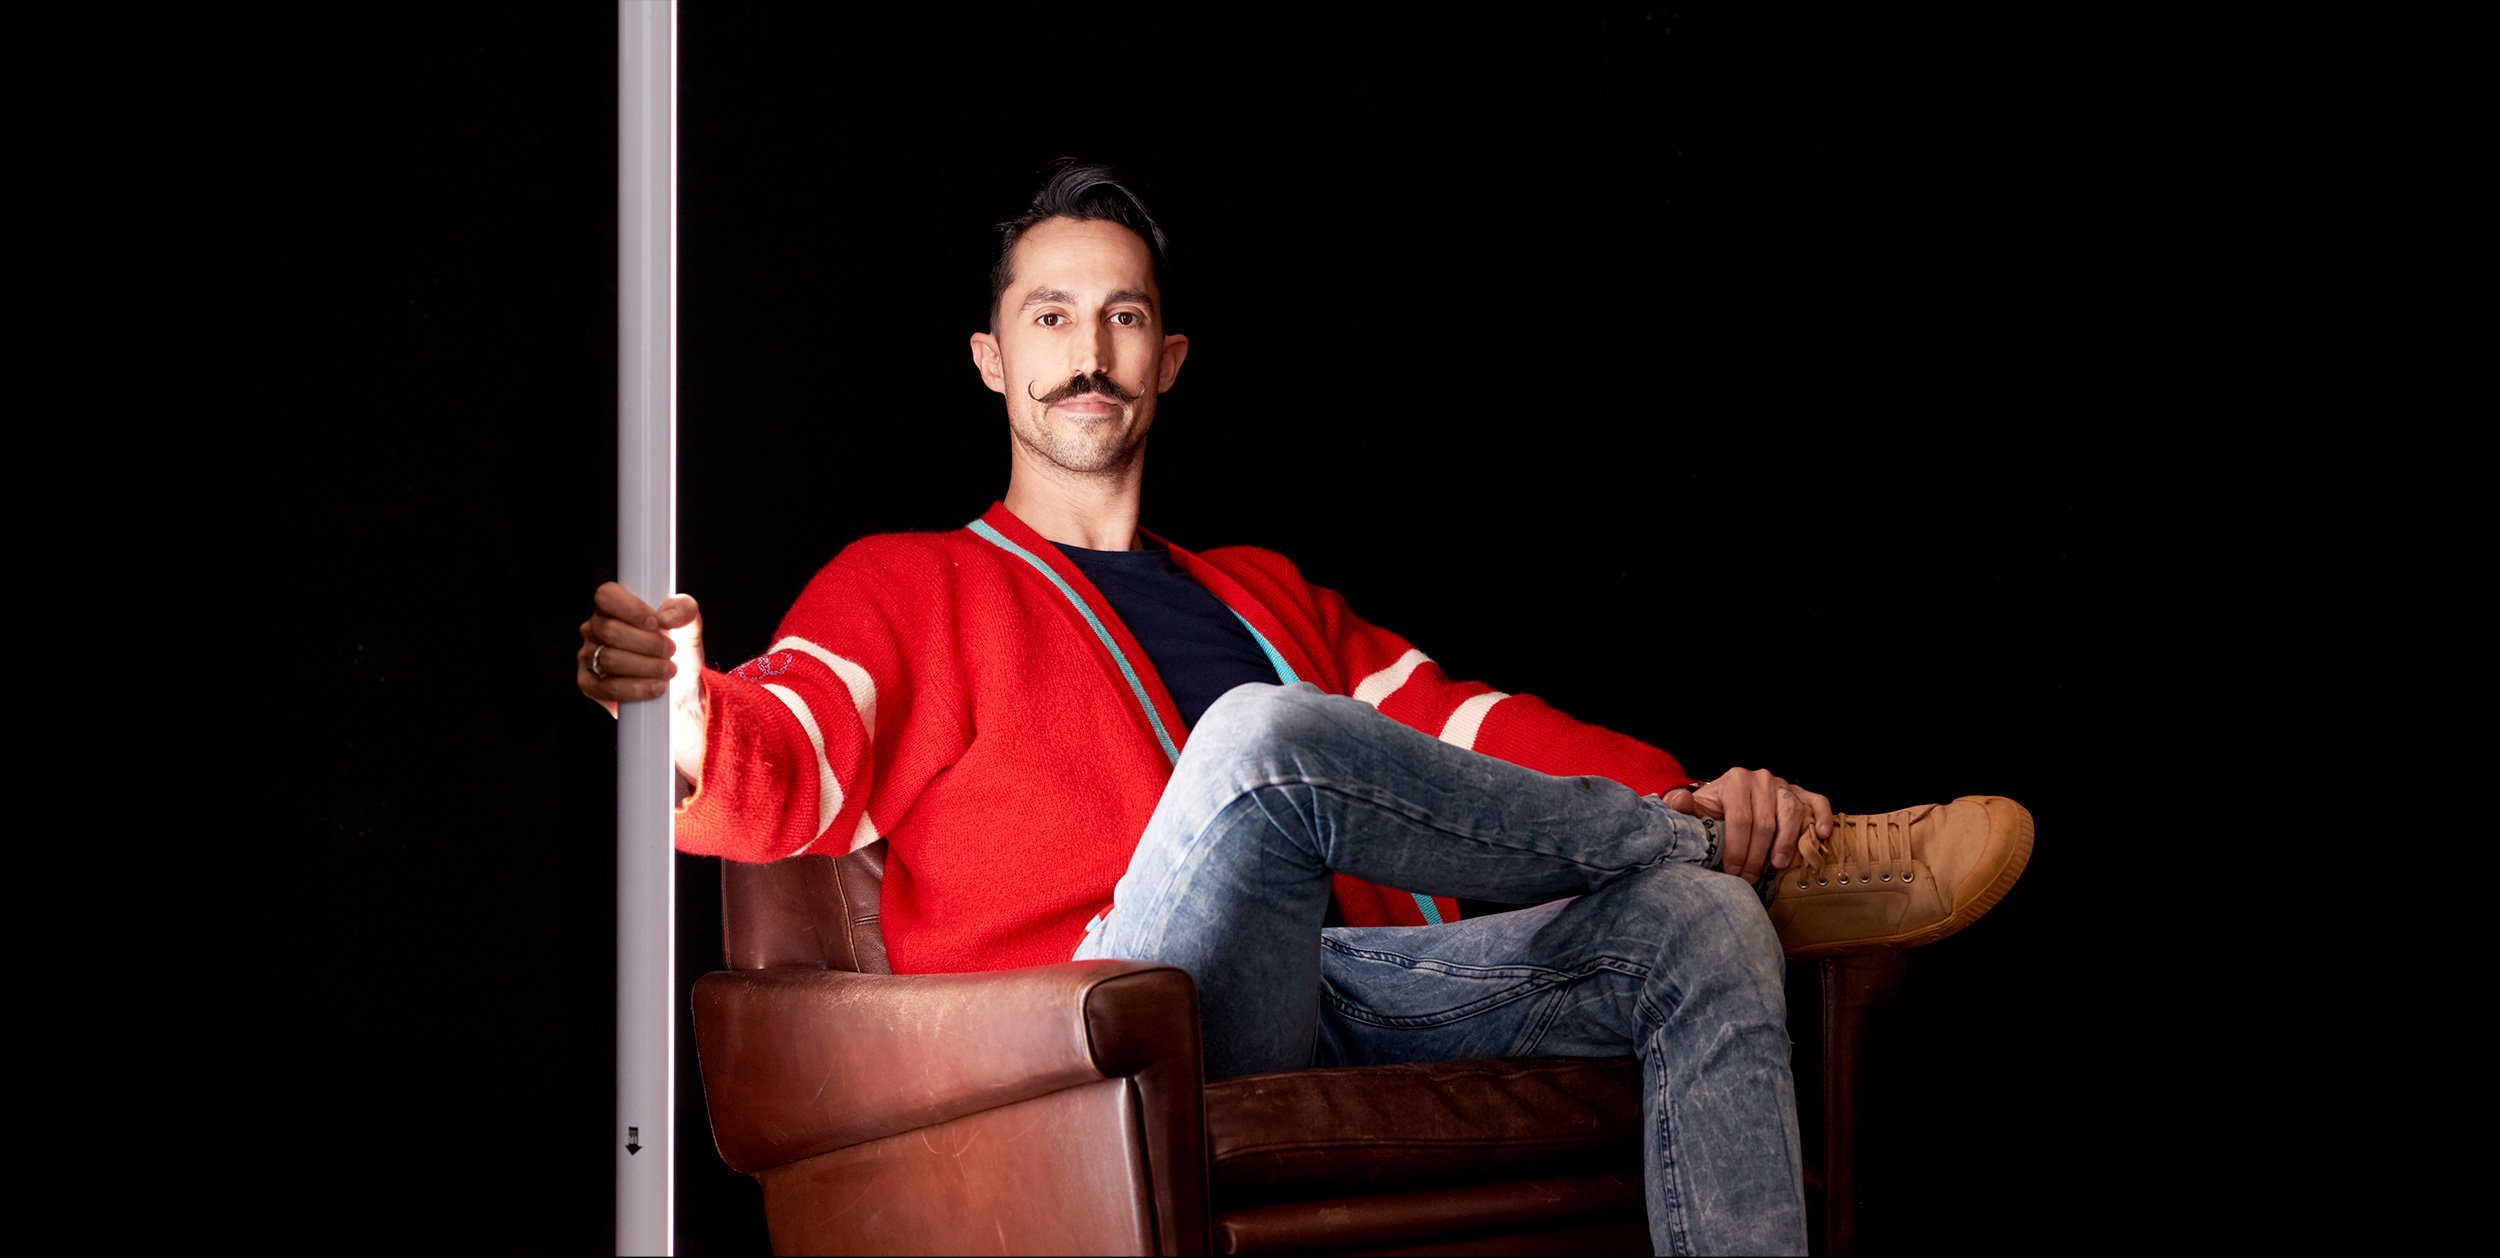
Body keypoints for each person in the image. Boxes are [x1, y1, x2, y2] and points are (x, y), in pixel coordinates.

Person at [576, 159, 2032, 1256]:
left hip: (1339, 993)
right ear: (992, 358)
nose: (1090, 347)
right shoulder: (910, 582)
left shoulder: (1266, 595)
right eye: (1051, 314)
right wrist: (687, 709)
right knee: (1262, 745)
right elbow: (792, 748)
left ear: (1169, 360)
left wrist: (1682, 788)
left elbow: (1463, 732)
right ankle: (1739, 861)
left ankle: (1710, 867)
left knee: (1700, 932)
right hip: (1111, 1009)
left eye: (1125, 314)